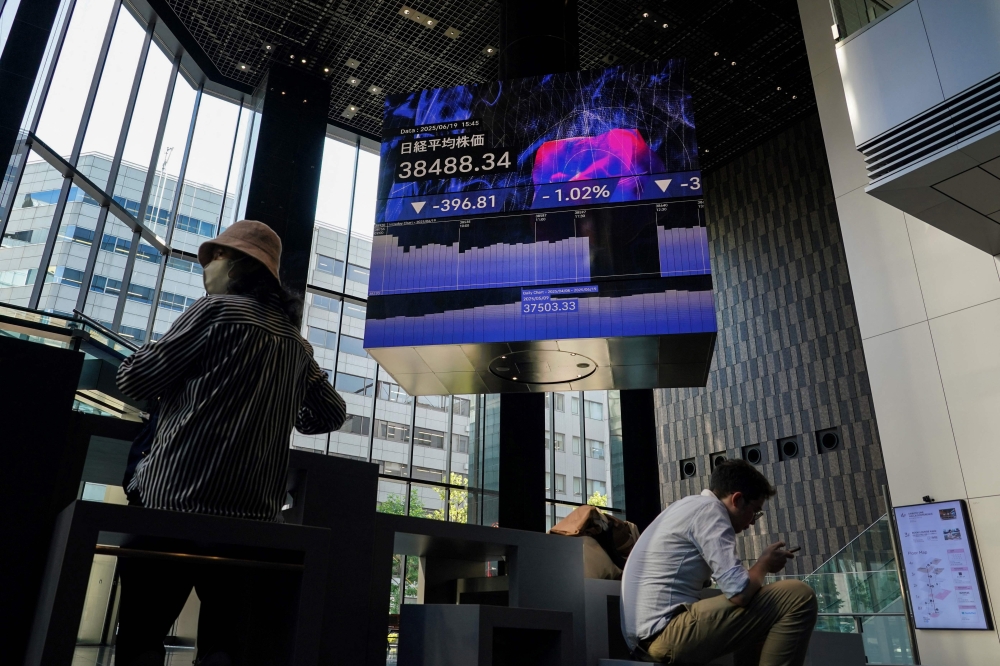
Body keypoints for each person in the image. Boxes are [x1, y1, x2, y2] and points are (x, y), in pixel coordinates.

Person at [114, 220, 347, 666]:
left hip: (174, 501)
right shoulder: (296, 343)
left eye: (217, 256)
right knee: (225, 646)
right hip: (253, 518)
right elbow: (330, 413)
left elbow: (136, 378)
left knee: (142, 633)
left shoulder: (214, 311)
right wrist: (279, 406)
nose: (209, 266)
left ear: (240, 264)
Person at [620, 459, 817, 666]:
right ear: (738, 499)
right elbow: (739, 592)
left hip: (646, 640)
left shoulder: (687, 506)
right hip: (664, 634)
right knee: (798, 595)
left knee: (766, 615)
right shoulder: (711, 512)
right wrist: (765, 564)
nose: (752, 522)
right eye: (756, 511)